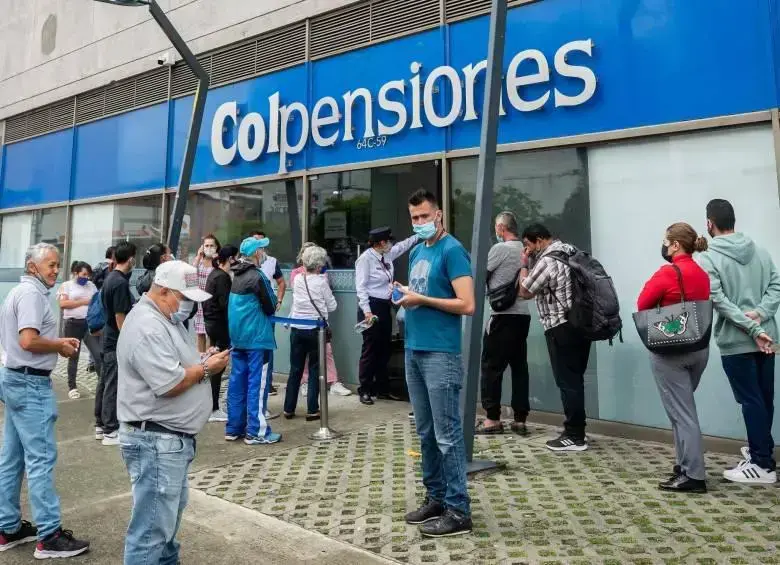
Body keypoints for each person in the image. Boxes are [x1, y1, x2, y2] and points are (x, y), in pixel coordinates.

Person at [116, 260, 230, 565]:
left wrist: (201, 358)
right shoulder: (148, 326)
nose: (189, 307)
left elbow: (177, 363)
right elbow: (169, 383)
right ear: (164, 291)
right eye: (185, 298)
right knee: (151, 531)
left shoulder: (165, 320)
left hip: (166, 441)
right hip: (155, 440)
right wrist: (207, 367)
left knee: (163, 528)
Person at [0, 243, 90, 558]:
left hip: (15, 380)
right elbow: (28, 339)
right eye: (50, 265)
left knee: (12, 458)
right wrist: (60, 347)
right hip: (29, 383)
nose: (55, 270)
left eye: (57, 264)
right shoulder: (30, 296)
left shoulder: (20, 293)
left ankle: (8, 527)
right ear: (32, 267)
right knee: (40, 460)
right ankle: (49, 536)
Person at [395, 189, 475, 538]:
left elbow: (467, 304)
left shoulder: (453, 250)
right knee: (426, 433)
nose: (420, 223)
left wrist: (422, 299)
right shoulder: (416, 252)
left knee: (447, 434)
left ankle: (459, 510)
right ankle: (436, 497)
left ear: (439, 214)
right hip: (414, 348)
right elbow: (418, 294)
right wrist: (404, 296)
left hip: (441, 352)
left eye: (425, 217)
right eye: (415, 218)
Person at [698, 199, 780, 484]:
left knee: (750, 400)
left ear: (710, 223)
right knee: (763, 399)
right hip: (767, 338)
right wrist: (759, 316)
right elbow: (776, 286)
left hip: (738, 341)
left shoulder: (707, 258)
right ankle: (763, 454)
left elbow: (719, 301)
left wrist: (750, 325)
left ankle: (761, 465)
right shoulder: (759, 251)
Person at [637, 223, 711, 493]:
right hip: (699, 349)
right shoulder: (702, 273)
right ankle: (682, 466)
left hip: (671, 351)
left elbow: (643, 302)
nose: (664, 246)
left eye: (666, 241)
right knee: (682, 411)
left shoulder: (668, 272)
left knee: (683, 414)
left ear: (676, 245)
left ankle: (694, 475)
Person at [517, 224, 592, 452]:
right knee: (575, 380)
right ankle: (578, 429)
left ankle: (574, 435)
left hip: (561, 327)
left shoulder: (548, 260)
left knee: (567, 382)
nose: (528, 250)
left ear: (539, 240)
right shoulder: (572, 251)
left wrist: (524, 263)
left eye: (529, 245)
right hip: (581, 325)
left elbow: (525, 290)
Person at [477, 211, 532, 436]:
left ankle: (492, 420)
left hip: (502, 316)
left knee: (491, 368)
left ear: (501, 228)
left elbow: (480, 275)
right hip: (522, 315)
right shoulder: (526, 251)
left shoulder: (500, 249)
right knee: (519, 368)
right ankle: (520, 420)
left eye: (496, 228)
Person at [354, 226, 418, 405]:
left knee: (384, 348)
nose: (391, 244)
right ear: (381, 243)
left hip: (384, 306)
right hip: (370, 308)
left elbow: (403, 246)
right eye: (389, 241)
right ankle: (365, 389)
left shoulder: (386, 254)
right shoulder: (365, 260)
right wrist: (367, 312)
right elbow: (361, 288)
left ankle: (382, 389)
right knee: (370, 349)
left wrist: (419, 235)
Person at [226, 236, 280, 444]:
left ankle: (233, 428)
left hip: (238, 338)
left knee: (237, 383)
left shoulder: (235, 274)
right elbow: (270, 304)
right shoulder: (257, 277)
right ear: (257, 253)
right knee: (257, 385)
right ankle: (256, 432)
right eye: (263, 249)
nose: (264, 252)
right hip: (257, 339)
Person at [284, 245, 337, 420]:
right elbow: (332, 306)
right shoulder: (322, 281)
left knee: (295, 369)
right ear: (320, 264)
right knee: (315, 369)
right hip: (315, 330)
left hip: (297, 329)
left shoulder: (298, 279)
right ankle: (312, 409)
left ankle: (288, 409)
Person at [291, 244, 351, 397]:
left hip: (316, 324)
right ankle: (306, 387)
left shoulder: (319, 275)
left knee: (326, 353)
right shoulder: (297, 275)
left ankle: (333, 382)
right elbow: (298, 300)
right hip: (305, 322)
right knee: (308, 362)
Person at [97, 240, 137, 446]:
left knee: (104, 381)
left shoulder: (110, 278)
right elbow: (120, 318)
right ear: (130, 259)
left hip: (107, 336)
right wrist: (128, 341)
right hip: (115, 339)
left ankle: (100, 423)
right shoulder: (120, 282)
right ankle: (110, 430)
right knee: (112, 384)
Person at [203, 245, 238, 423]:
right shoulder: (222, 277)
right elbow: (226, 305)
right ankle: (213, 407)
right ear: (230, 259)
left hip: (211, 323)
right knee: (218, 364)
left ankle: (211, 405)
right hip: (219, 325)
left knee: (215, 363)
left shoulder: (214, 274)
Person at [57, 261, 101, 400]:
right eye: (83, 274)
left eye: (88, 275)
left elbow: (96, 302)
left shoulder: (91, 286)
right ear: (76, 273)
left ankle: (102, 385)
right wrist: (83, 302)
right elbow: (63, 304)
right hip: (72, 324)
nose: (86, 277)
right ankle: (72, 387)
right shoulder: (67, 286)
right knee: (73, 356)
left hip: (88, 324)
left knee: (98, 354)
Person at [252, 230, 286, 396]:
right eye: (255, 242)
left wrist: (279, 300)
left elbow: (281, 283)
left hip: (267, 310)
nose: (259, 246)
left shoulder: (271, 262)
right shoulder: (244, 262)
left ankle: (268, 382)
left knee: (268, 346)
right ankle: (254, 381)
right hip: (251, 311)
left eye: (262, 242)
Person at [192, 235, 221, 353]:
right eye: (206, 245)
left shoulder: (219, 262)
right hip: (199, 303)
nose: (209, 248)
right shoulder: (198, 262)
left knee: (212, 335)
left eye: (212, 245)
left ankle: (210, 363)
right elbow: (189, 276)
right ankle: (200, 362)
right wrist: (198, 257)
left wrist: (217, 260)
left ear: (217, 247)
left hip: (213, 303)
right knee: (200, 334)